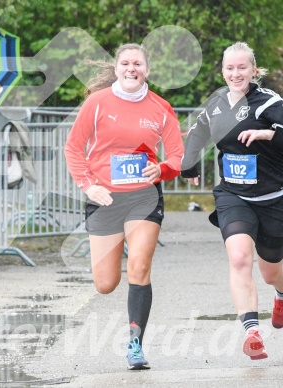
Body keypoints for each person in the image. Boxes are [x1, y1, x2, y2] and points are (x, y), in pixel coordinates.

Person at [181, 41, 283, 360]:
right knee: (239, 258)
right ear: (222, 71)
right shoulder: (217, 103)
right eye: (229, 68)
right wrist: (190, 164)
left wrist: (270, 135)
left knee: (271, 272)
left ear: (254, 70)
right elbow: (198, 132)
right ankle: (252, 332)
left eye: (242, 67)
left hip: (274, 199)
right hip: (234, 196)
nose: (235, 73)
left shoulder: (269, 103)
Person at [64, 43, 184, 370]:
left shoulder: (161, 107)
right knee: (105, 284)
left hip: (144, 197)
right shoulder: (97, 103)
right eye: (126, 63)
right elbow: (74, 148)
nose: (132, 68)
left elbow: (176, 156)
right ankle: (118, 252)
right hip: (105, 198)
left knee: (139, 268)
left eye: (138, 64)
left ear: (147, 69)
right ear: (116, 68)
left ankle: (135, 344)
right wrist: (89, 185)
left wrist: (162, 169)